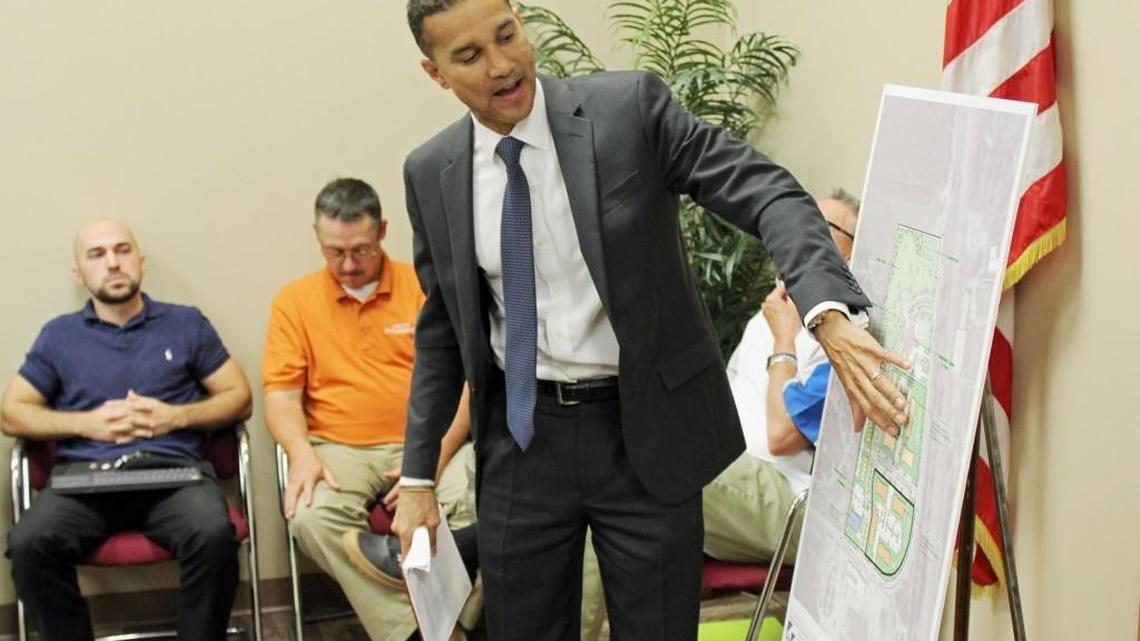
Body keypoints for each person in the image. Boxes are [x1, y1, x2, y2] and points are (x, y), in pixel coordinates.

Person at [395, 2, 911, 639]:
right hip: (523, 444)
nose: (502, 65)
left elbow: (768, 191)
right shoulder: (432, 172)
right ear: (436, 72)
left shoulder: (626, 111)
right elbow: (443, 329)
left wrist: (825, 311)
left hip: (645, 435)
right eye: (470, 56)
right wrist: (418, 476)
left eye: (507, 35)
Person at [1, 219, 252, 641]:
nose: (113, 263)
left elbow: (239, 397)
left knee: (213, 536)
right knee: (28, 545)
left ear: (141, 262)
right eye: (97, 255)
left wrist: (175, 417)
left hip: (174, 478)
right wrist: (87, 424)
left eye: (122, 250)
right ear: (79, 273)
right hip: (85, 483)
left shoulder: (185, 324)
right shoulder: (59, 335)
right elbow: (12, 413)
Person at [261, 177, 475, 641]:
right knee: (311, 518)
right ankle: (425, 631)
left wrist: (434, 458)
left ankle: (450, 617)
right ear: (318, 239)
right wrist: (300, 452)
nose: (348, 264)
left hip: (434, 440)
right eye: (333, 251)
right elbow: (280, 395)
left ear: (382, 231)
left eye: (360, 250)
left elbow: (467, 384)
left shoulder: (423, 284)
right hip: (340, 448)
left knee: (484, 505)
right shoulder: (294, 302)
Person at [703, 191, 860, 563]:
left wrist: (785, 339)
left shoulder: (846, 332)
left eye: (824, 227)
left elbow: (781, 437)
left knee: (649, 469)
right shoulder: (774, 309)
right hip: (728, 468)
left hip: (785, 492)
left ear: (852, 255)